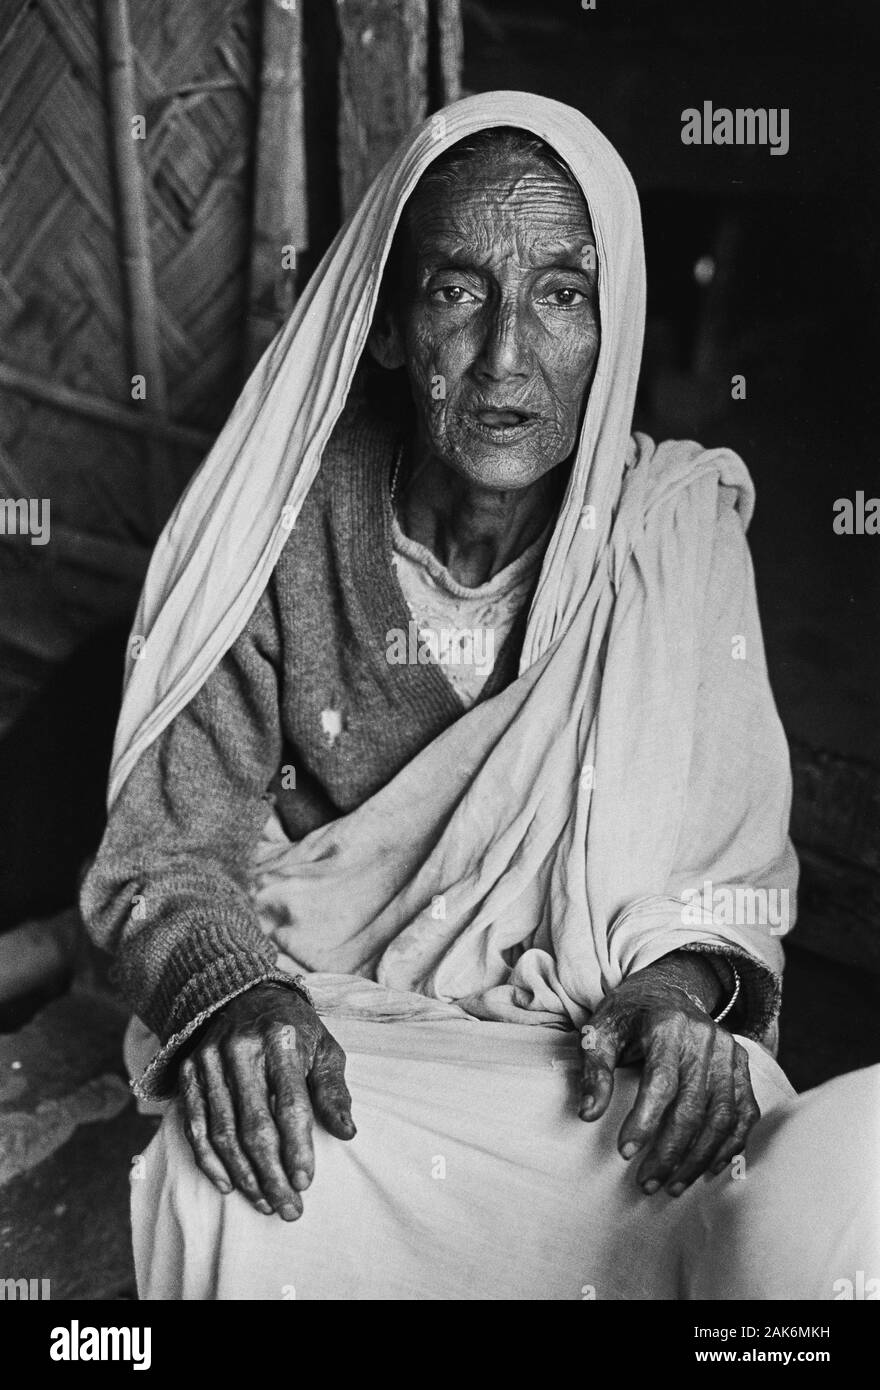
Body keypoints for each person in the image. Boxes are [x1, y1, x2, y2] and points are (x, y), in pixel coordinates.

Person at [81, 91, 879, 1300]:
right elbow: (166, 855)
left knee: (733, 1173)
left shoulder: (670, 532)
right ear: (393, 325)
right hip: (354, 1041)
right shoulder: (274, 524)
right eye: (458, 289)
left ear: (614, 328)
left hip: (580, 1058)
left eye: (562, 294)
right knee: (234, 1169)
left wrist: (675, 1000)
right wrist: (235, 993)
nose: (508, 357)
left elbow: (719, 886)